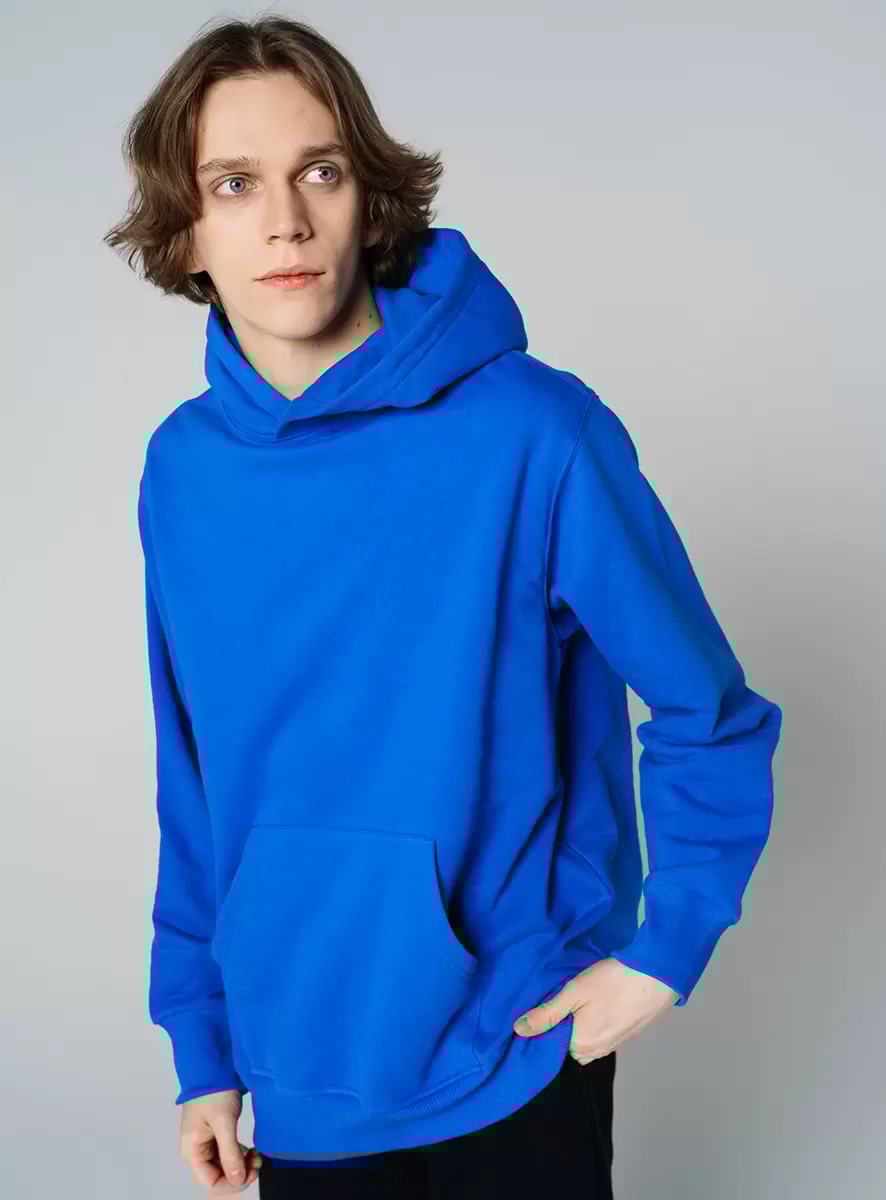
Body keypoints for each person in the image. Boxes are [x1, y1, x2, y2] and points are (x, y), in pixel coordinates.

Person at [105, 14, 783, 1197]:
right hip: (298, 1066)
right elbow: (197, 779)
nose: (285, 221)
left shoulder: (533, 432)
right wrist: (201, 1048)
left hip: (512, 1050)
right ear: (186, 228)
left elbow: (708, 711)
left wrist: (666, 950)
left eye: (321, 171)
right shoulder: (185, 470)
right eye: (234, 183)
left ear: (370, 196)